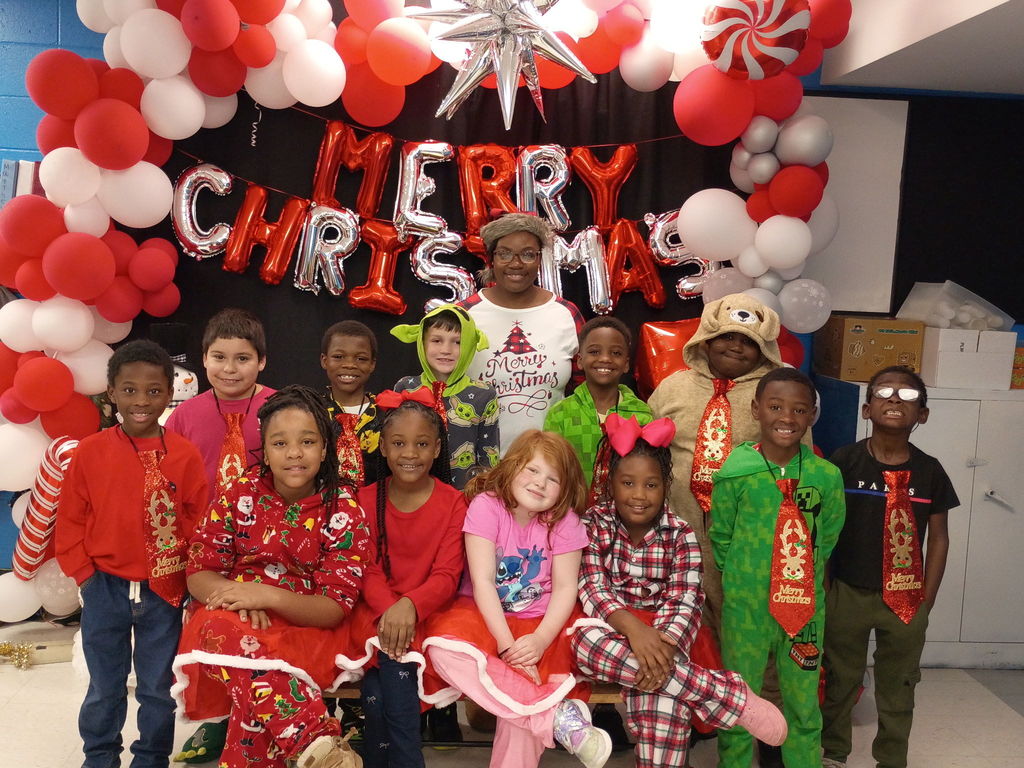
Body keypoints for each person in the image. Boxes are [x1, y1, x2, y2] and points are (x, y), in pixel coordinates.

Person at [571, 414, 787, 768]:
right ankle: (727, 695)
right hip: (610, 632)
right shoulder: (593, 523)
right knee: (583, 643)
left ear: (666, 486)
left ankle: (675, 679)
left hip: (665, 638)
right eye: (628, 483)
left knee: (663, 696)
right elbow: (592, 587)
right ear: (611, 483)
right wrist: (635, 633)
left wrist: (662, 646)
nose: (639, 495)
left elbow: (686, 598)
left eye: (651, 485)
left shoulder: (680, 532)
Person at [172, 386, 372, 768]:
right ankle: (316, 740)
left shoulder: (343, 508)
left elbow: (333, 608)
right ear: (264, 448)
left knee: (252, 690)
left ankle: (312, 742)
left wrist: (265, 595)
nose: (294, 453)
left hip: (308, 630)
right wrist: (240, 597)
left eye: (308, 441)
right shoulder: (239, 492)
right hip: (236, 619)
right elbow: (200, 571)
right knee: (213, 625)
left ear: (326, 448)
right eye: (280, 443)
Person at [648, 293, 804, 765]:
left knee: (758, 635)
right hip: (680, 539)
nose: (736, 347)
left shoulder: (773, 397)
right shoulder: (673, 389)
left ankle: (769, 729)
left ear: (764, 350)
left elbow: (798, 463)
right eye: (726, 338)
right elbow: (646, 458)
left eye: (748, 342)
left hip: (747, 544)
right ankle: (695, 718)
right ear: (705, 340)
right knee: (685, 631)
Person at [54, 339, 209, 768]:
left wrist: (190, 578)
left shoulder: (184, 454)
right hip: (105, 586)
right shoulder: (92, 451)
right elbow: (69, 520)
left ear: (169, 392)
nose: (142, 401)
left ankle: (151, 757)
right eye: (130, 390)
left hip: (164, 590)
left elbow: (198, 522)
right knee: (105, 685)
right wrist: (84, 575)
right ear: (111, 393)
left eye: (154, 391)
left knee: (158, 688)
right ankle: (100, 756)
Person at [421, 430, 612, 768]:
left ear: (565, 489)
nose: (540, 483)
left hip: (542, 622)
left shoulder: (565, 521)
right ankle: (552, 718)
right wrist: (508, 647)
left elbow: (567, 589)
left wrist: (538, 641)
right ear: (511, 467)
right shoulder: (486, 507)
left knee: (518, 700)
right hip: (484, 614)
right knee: (442, 649)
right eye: (532, 470)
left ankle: (534, 710)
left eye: (553, 479)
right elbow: (481, 582)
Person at [821, 366, 957, 768]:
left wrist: (927, 597)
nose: (895, 399)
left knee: (899, 682)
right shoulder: (843, 461)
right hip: (847, 591)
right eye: (884, 391)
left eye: (909, 396)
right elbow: (826, 529)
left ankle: (892, 757)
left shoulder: (931, 471)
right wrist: (826, 586)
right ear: (867, 409)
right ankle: (834, 753)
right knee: (840, 678)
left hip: (907, 596)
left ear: (924, 415)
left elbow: (939, 537)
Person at [709, 367, 846, 768]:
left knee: (803, 701)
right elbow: (721, 534)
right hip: (745, 608)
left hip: (804, 609)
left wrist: (800, 576)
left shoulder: (826, 476)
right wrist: (741, 577)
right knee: (739, 697)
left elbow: (830, 534)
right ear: (756, 410)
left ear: (811, 416)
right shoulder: (736, 470)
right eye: (775, 406)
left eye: (800, 409)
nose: (787, 417)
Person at [334, 388, 469, 767]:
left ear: (438, 449)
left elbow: (447, 574)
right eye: (399, 443)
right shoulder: (365, 500)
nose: (410, 454)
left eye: (422, 444)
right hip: (375, 613)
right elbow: (366, 567)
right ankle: (409, 759)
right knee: (392, 670)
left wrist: (409, 606)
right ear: (384, 448)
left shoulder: (453, 502)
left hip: (429, 613)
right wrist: (392, 610)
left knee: (382, 688)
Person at [165, 307, 276, 763]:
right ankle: (214, 721)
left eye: (243, 358)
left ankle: (260, 715)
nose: (230, 369)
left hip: (267, 542)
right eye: (219, 357)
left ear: (262, 361)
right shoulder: (184, 417)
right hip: (206, 546)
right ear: (203, 360)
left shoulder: (279, 407)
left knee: (259, 629)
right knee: (208, 629)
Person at [459, 212, 583, 454]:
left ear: (539, 259)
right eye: (504, 253)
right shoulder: (464, 315)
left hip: (547, 467)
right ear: (491, 259)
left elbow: (583, 393)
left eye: (527, 254)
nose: (516, 264)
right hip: (478, 466)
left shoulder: (566, 313)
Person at [392, 304, 500, 490]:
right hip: (411, 494)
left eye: (457, 342)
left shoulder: (484, 395)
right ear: (422, 342)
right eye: (436, 340)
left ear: (469, 345)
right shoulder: (406, 387)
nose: (446, 350)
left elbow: (488, 458)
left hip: (462, 499)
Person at [544, 316, 651, 491]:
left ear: (626, 364)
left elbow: (648, 470)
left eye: (616, 353)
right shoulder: (560, 413)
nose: (605, 359)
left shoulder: (641, 414)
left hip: (625, 514)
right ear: (579, 360)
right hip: (574, 512)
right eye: (594, 352)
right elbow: (549, 470)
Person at [320, 319, 382, 487]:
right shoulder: (311, 412)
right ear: (324, 361)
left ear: (372, 364)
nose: (349, 365)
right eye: (338, 357)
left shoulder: (386, 415)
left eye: (361, 359)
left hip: (374, 506)